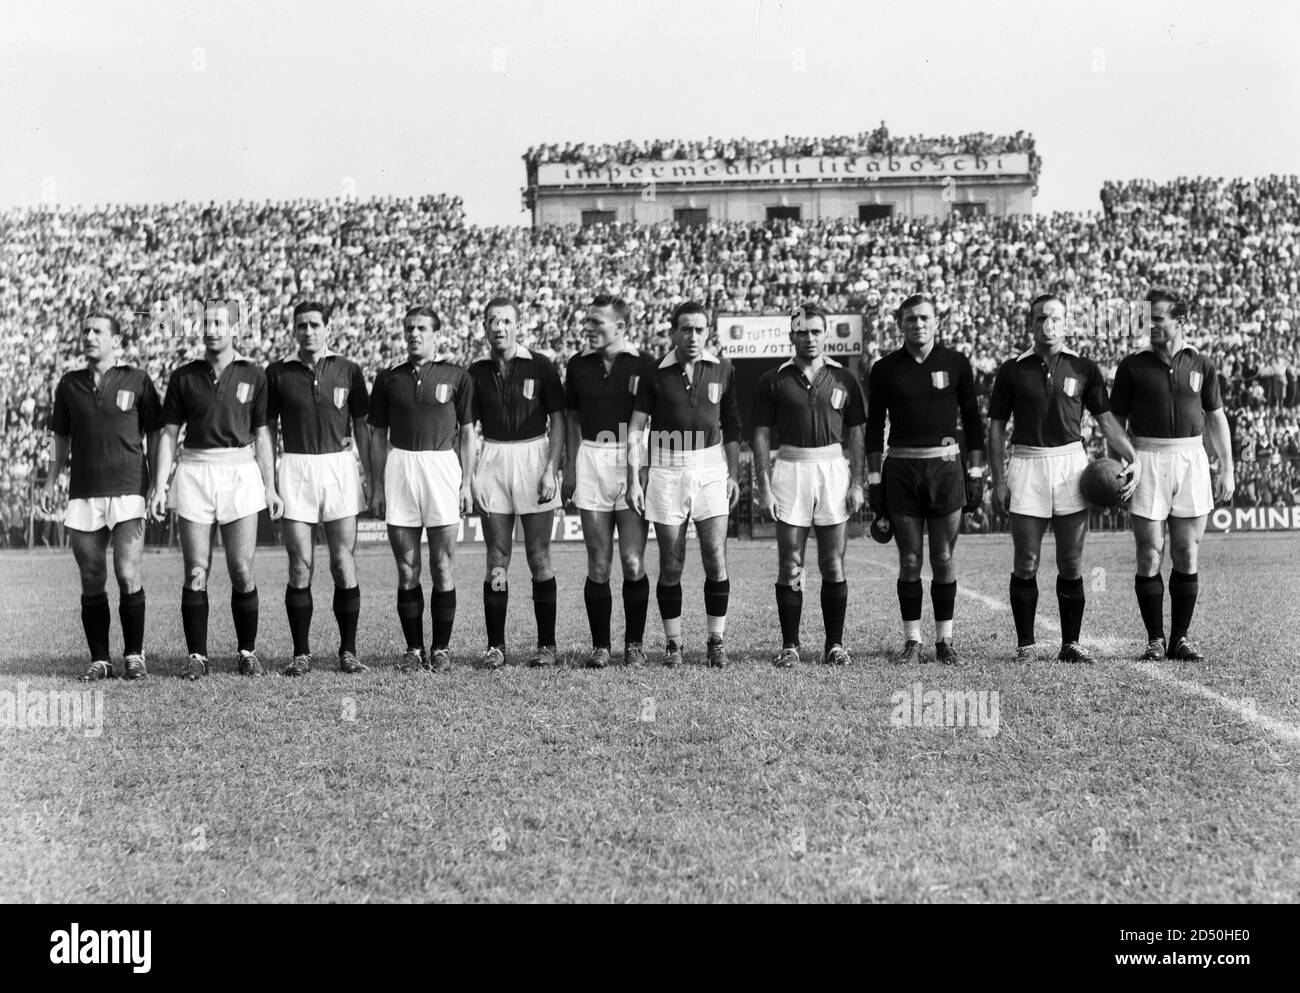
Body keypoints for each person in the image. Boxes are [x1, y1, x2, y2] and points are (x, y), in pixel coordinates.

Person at [987, 294, 1140, 665]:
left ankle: (1070, 643)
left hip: (1071, 465)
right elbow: (994, 429)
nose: (1048, 325)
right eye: (1041, 318)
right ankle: (1025, 645)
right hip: (1026, 463)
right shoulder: (1011, 370)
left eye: (1055, 318)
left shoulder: (1084, 368)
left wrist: (1132, 456)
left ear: (1065, 322)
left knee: (1071, 561)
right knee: (1026, 560)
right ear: (1032, 323)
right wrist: (998, 480)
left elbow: (1106, 421)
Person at [149, 300, 284, 679]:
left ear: (234, 328)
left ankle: (246, 652)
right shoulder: (183, 376)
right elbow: (169, 434)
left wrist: (270, 487)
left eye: (219, 323)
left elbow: (262, 435)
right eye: (206, 322)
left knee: (241, 568)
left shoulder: (253, 374)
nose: (211, 329)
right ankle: (197, 656)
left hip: (240, 471)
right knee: (196, 569)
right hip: (195, 470)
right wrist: (160, 485)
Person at [1110, 288, 1235, 662]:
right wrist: (1120, 461)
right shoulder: (1131, 366)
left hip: (1191, 457)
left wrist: (1227, 467)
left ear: (1180, 321)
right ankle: (1154, 639)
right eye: (1146, 318)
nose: (1150, 325)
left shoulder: (1202, 363)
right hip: (1146, 457)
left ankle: (1180, 638)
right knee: (1150, 551)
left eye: (1158, 318)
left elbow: (1216, 418)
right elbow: (1115, 422)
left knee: (1186, 551)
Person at [866, 293, 986, 667]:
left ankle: (945, 641)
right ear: (899, 324)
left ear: (937, 322)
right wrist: (873, 480)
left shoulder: (956, 362)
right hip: (902, 469)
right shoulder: (884, 368)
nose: (918, 324)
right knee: (910, 558)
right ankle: (912, 640)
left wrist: (977, 472)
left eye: (924, 318)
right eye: (910, 319)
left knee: (944, 556)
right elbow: (873, 429)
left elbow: (973, 420)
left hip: (946, 467)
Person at [41, 313, 162, 680]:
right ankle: (100, 658)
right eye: (86, 330)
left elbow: (156, 434)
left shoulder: (137, 380)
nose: (90, 336)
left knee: (127, 572)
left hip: (129, 489)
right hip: (84, 492)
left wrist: (157, 482)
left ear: (115, 340)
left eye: (98, 331)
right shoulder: (68, 385)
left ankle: (134, 655)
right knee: (92, 576)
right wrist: (50, 480)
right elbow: (57, 436)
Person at [627, 300, 742, 668]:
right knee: (672, 562)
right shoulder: (654, 372)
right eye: (685, 329)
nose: (693, 336)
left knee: (715, 557)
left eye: (699, 329)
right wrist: (637, 473)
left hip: (710, 467)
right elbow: (636, 428)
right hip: (667, 468)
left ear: (707, 332)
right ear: (673, 331)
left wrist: (734, 474)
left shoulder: (723, 368)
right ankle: (673, 644)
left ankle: (715, 640)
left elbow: (734, 427)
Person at [752, 303, 866, 667]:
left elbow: (857, 434)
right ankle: (791, 645)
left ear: (825, 334)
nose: (810, 338)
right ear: (791, 335)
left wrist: (858, 482)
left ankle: (835, 645)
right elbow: (760, 435)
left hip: (832, 468)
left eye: (816, 331)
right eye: (803, 331)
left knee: (833, 562)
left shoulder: (845, 378)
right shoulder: (772, 379)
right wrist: (764, 486)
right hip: (790, 468)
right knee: (791, 563)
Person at [265, 302, 372, 676]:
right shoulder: (277, 372)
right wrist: (269, 483)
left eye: (314, 324)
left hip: (339, 467)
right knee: (300, 565)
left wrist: (370, 476)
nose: (308, 331)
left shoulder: (348, 370)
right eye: (301, 325)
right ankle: (301, 654)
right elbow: (265, 429)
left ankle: (348, 651)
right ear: (293, 331)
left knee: (343, 562)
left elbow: (362, 426)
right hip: (295, 467)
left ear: (328, 328)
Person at [369, 306, 475, 671]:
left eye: (422, 329)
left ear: (435, 334)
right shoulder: (388, 379)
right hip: (401, 467)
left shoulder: (457, 375)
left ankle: (441, 649)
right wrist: (377, 484)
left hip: (442, 467)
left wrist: (467, 482)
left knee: (442, 564)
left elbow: (469, 433)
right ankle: (414, 650)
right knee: (407, 567)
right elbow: (376, 436)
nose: (414, 334)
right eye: (409, 328)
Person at [468, 297, 565, 669]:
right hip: (493, 456)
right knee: (496, 558)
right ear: (484, 327)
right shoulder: (475, 372)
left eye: (506, 320)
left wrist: (550, 468)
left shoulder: (540, 366)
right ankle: (496, 646)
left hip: (532, 456)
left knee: (539, 556)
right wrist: (472, 474)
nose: (499, 327)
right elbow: (466, 430)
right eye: (492, 320)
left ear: (517, 326)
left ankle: (547, 645)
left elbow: (557, 420)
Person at [561, 295, 654, 668]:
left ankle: (634, 644)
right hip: (591, 459)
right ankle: (601, 646)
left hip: (632, 457)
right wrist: (568, 469)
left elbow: (647, 422)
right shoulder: (577, 365)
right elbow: (569, 419)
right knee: (598, 562)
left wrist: (641, 472)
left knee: (632, 561)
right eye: (588, 321)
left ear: (620, 327)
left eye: (597, 322)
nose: (589, 328)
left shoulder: (644, 364)